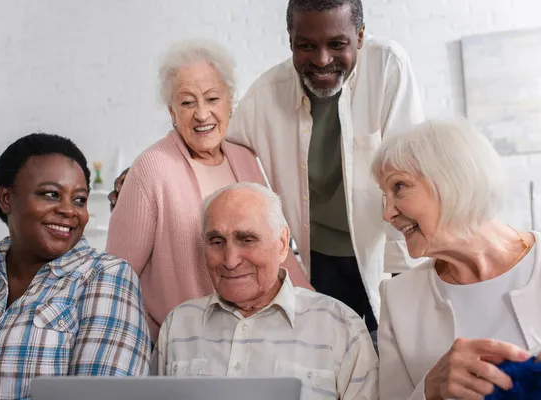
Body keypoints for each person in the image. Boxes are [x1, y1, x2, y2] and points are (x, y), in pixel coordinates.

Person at [226, 0, 424, 332]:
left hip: (387, 251)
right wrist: (147, 171)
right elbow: (215, 147)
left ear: (359, 37)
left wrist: (409, 269)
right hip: (319, 261)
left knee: (396, 360)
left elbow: (413, 171)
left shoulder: (388, 66)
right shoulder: (264, 96)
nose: (321, 60)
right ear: (290, 41)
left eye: (337, 44)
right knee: (335, 362)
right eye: (306, 45)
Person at [106, 39, 311, 342]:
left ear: (230, 101)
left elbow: (279, 255)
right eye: (187, 102)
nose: (202, 114)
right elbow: (116, 278)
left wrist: (316, 313)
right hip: (187, 343)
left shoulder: (245, 158)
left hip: (259, 337)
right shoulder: (151, 168)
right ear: (172, 112)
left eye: (212, 99)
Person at [0, 133, 151, 399]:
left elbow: (104, 393)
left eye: (79, 200)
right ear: (6, 198)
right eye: (51, 194)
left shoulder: (106, 276)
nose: (69, 210)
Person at [154, 182, 378, 400]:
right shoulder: (178, 325)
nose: (230, 261)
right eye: (216, 241)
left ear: (282, 243)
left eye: (247, 239)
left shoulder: (342, 327)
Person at [373, 120, 540, 400]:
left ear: (450, 179)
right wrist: (429, 389)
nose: (387, 213)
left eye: (399, 187)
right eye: (385, 197)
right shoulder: (398, 297)